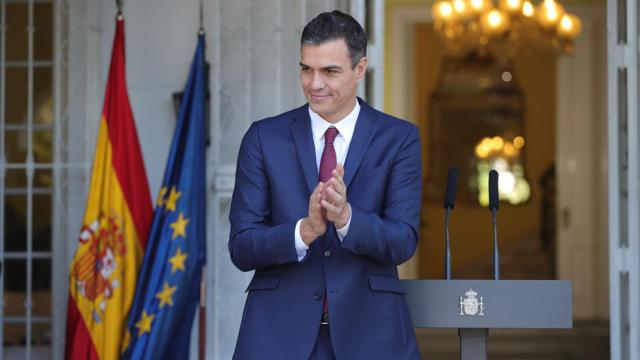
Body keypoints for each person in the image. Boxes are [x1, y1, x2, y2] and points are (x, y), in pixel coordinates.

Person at [229, 10, 422, 359]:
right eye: (306, 69)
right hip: (277, 335)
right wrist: (303, 231)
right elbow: (242, 246)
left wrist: (348, 219)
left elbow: (403, 240)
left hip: (371, 333)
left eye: (329, 71)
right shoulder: (263, 138)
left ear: (360, 69)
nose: (314, 84)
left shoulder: (400, 138)